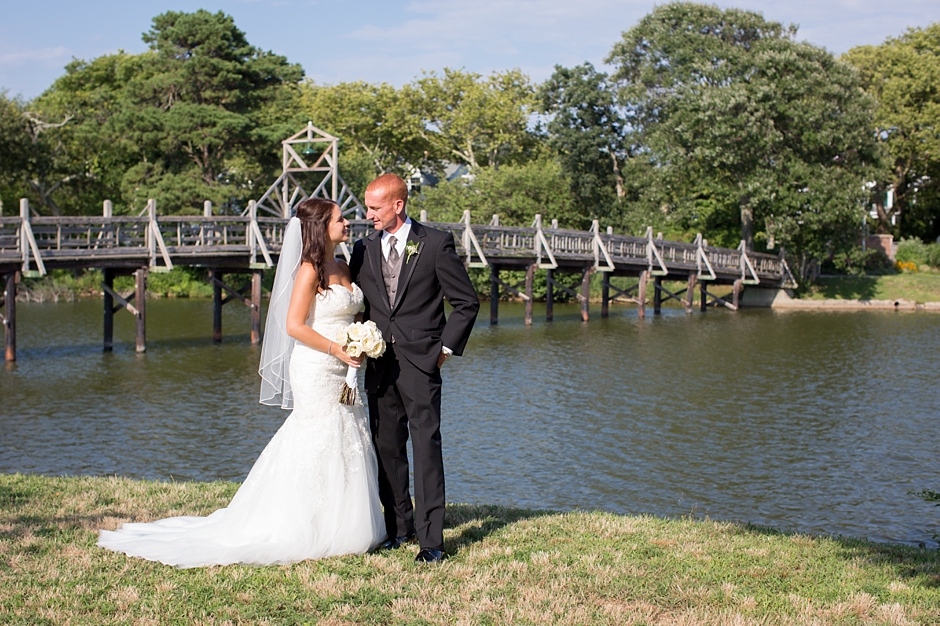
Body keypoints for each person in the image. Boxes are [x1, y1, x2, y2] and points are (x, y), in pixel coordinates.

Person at [97, 198, 386, 568]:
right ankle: (302, 523)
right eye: (340, 219)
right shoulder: (307, 271)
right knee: (319, 433)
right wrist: (337, 348)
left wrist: (360, 338)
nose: (348, 223)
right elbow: (294, 326)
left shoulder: (344, 265)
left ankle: (346, 521)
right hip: (316, 365)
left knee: (348, 431)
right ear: (320, 227)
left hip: (345, 366)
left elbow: (351, 311)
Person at [349, 173, 479, 563]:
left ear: (397, 205)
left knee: (425, 448)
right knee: (387, 447)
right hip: (379, 364)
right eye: (367, 207)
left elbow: (466, 303)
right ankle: (398, 529)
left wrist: (446, 348)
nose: (367, 214)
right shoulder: (362, 247)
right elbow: (358, 302)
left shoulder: (436, 244)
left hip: (422, 362)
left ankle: (431, 541)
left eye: (374, 207)